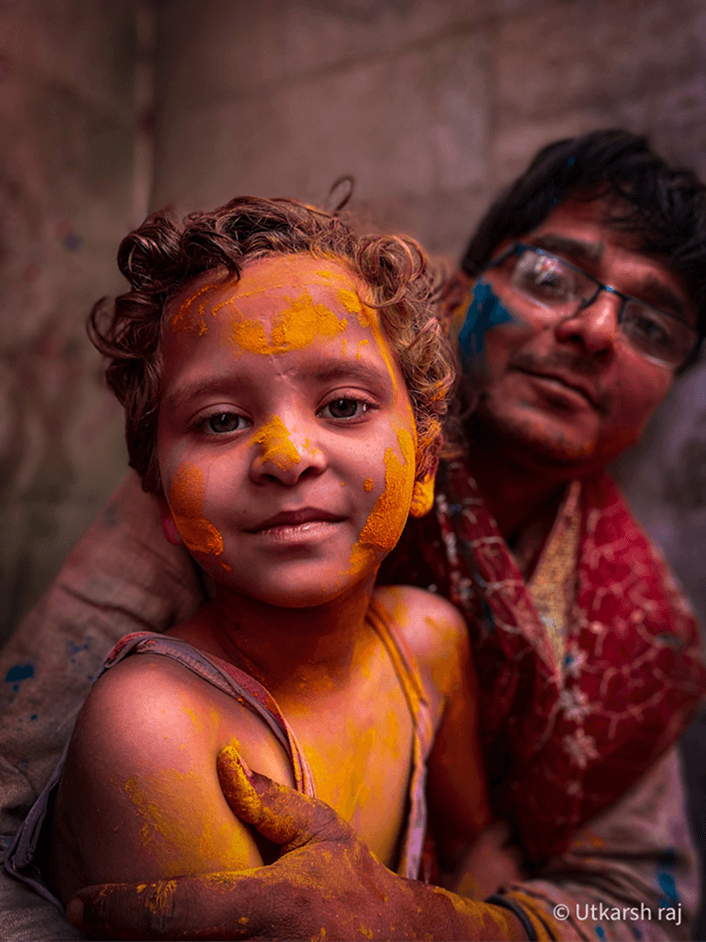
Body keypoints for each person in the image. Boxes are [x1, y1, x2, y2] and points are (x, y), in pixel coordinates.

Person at [1, 129, 705, 941]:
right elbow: (15, 798)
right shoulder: (202, 516)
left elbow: (652, 908)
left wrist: (449, 925)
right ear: (464, 288)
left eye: (654, 324)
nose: (598, 329)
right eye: (552, 276)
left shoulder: (638, 637)